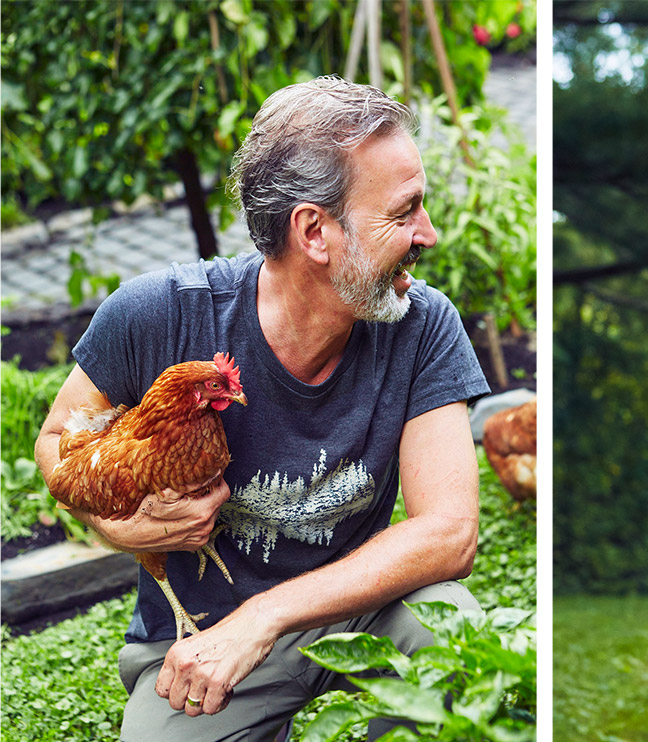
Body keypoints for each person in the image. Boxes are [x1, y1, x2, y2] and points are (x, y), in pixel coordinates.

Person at [35, 77, 491, 741]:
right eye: (404, 212)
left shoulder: (420, 323)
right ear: (314, 231)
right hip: (201, 638)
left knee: (453, 633)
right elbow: (57, 441)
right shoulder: (157, 313)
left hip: (359, 611)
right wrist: (119, 529)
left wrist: (266, 615)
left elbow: (449, 531)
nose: (430, 232)